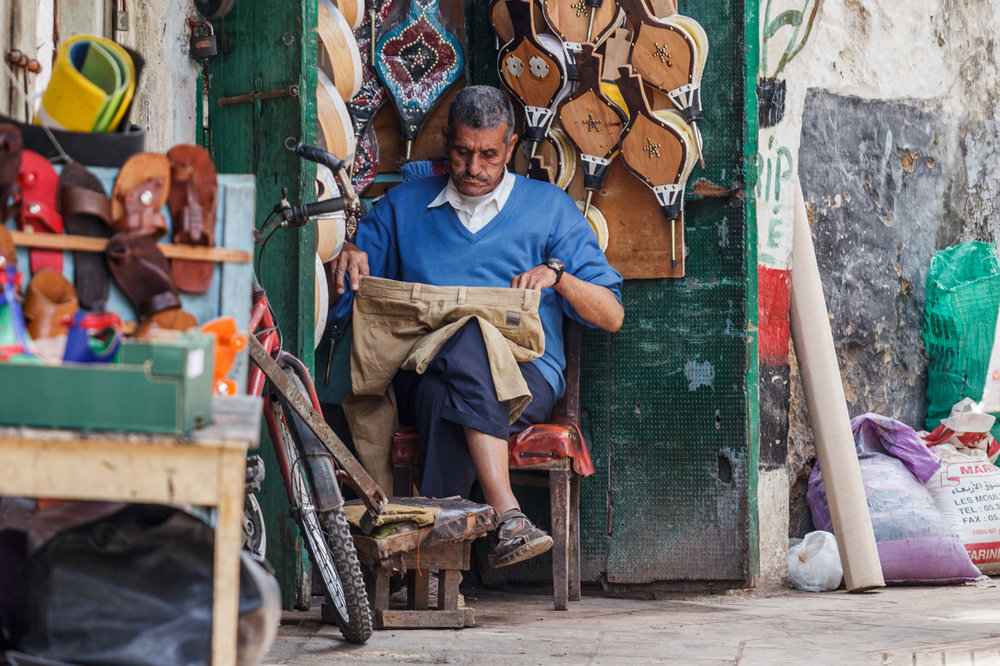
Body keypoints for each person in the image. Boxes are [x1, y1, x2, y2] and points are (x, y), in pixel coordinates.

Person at [331, 85, 624, 567]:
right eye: (464, 152)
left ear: (510, 148)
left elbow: (611, 315)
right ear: (447, 142)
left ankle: (432, 569)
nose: (474, 168)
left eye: (489, 155)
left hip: (524, 381)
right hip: (419, 368)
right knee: (461, 343)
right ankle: (506, 516)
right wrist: (348, 254)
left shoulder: (548, 209)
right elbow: (345, 307)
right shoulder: (404, 208)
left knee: (455, 374)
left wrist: (560, 276)